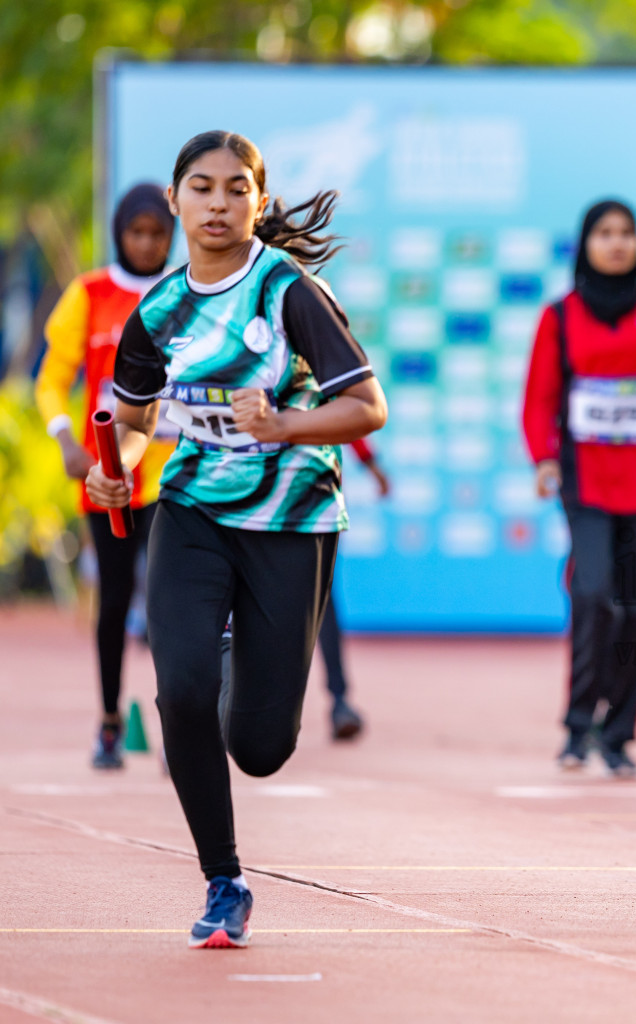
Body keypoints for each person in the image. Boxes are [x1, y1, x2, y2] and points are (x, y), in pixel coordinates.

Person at [87, 130, 387, 949]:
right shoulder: (155, 311)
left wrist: (285, 423)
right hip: (191, 511)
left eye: (235, 190)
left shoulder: (289, 293)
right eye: (202, 188)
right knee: (179, 692)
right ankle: (223, 879)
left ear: (257, 200)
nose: (218, 204)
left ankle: (229, 662)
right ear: (176, 199)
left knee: (258, 747)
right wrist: (121, 469)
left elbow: (367, 407)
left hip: (291, 522)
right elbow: (140, 417)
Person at [523, 200, 636, 779]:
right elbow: (540, 396)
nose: (617, 243)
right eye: (605, 233)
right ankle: (578, 725)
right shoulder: (561, 316)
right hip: (587, 481)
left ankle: (619, 735)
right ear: (586, 243)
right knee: (594, 594)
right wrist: (544, 458)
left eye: (627, 233)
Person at [35, 183, 177, 769]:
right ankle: (111, 723)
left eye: (158, 234)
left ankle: (182, 726)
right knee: (115, 601)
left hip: (175, 478)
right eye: (135, 233)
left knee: (173, 605)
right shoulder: (89, 294)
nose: (146, 244)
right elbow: (50, 382)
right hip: (107, 476)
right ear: (119, 233)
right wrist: (66, 438)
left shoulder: (185, 292)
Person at [316, 438, 391, 739]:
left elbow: (343, 401)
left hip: (312, 503)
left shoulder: (317, 392)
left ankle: (339, 701)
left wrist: (371, 464)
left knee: (321, 602)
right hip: (247, 501)